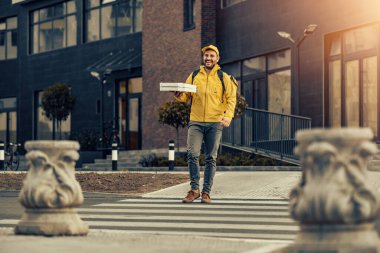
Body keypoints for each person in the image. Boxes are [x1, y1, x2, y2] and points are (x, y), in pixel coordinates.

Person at [174, 45, 237, 204]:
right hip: (196, 121)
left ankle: (206, 192)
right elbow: (186, 96)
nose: (208, 58)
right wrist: (179, 96)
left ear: (217, 58)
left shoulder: (224, 77)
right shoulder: (195, 75)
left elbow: (231, 99)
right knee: (192, 154)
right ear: (203, 58)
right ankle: (194, 190)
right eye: (206, 56)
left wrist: (227, 116)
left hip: (215, 122)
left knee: (211, 158)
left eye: (211, 56)